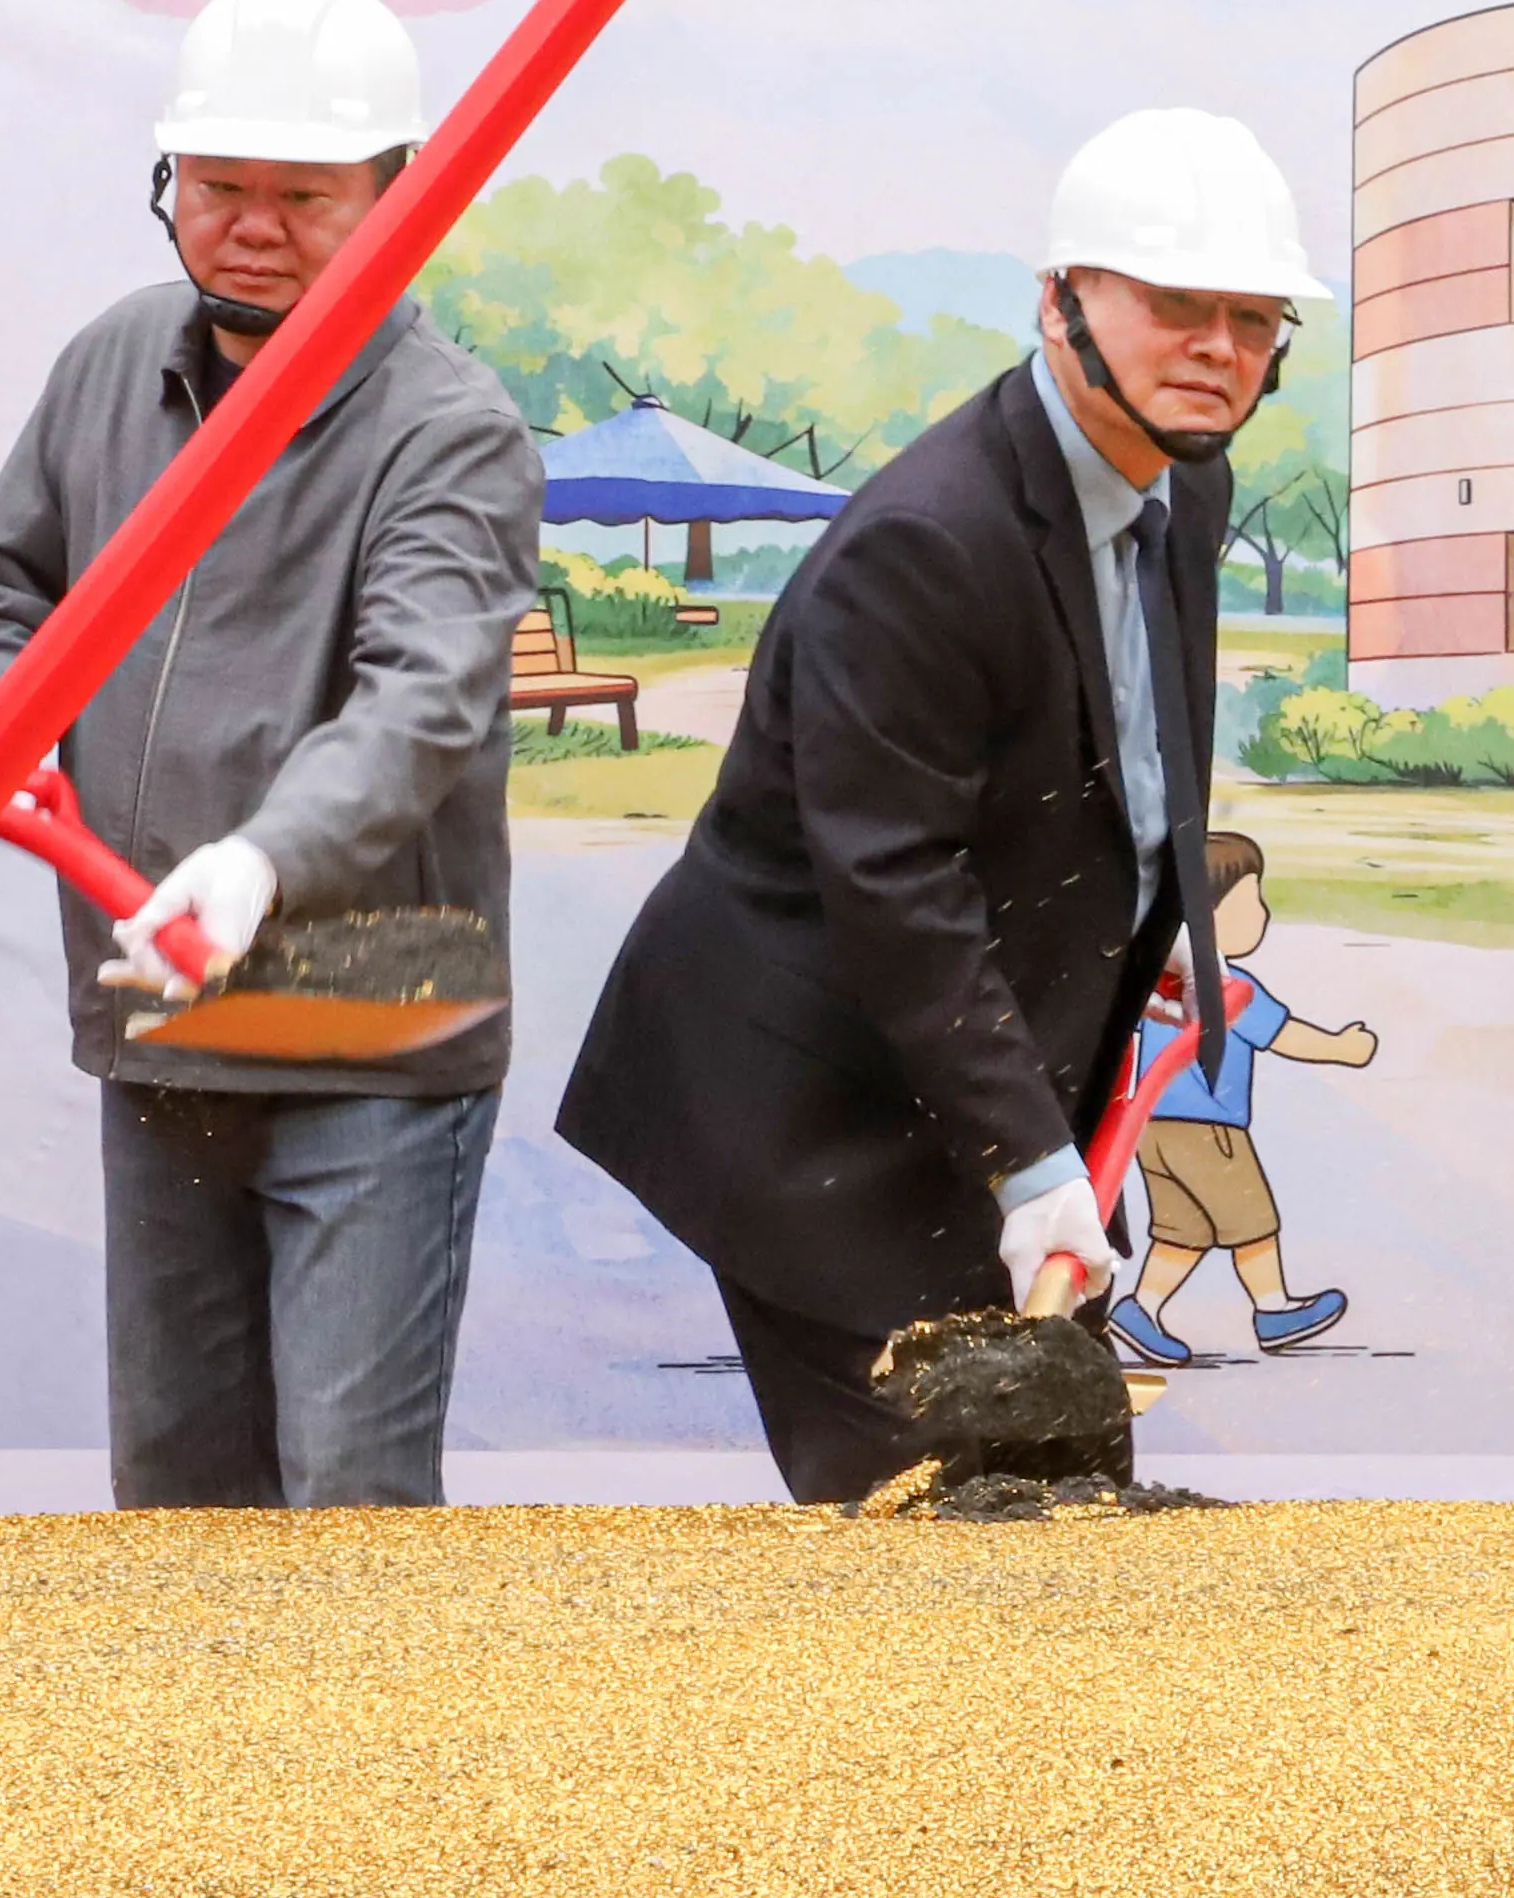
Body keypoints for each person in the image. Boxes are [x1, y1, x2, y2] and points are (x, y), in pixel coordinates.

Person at [556, 110, 1311, 1503]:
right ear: (1061, 300)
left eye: (1254, 317)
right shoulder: (926, 542)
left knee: (1067, 1497)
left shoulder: (1184, 486)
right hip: (816, 1115)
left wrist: (1131, 952)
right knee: (931, 1526)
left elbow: (1119, 765)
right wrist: (1030, 1169)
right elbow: (894, 885)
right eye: (1176, 304)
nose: (1219, 345)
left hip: (978, 1081)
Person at [0, 0, 537, 1510]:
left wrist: (263, 864)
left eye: (305, 197)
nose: (252, 228)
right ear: (167, 180)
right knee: (178, 1493)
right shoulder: (112, 365)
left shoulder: (449, 429)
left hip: (373, 1032)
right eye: (217, 187)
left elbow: (422, 699)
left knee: (348, 1501)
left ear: (399, 197)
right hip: (165, 1011)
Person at [1108, 830, 1382, 1370]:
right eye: (1251, 901)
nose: (1262, 915)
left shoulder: (1158, 981)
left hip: (1151, 1126)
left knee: (1185, 1230)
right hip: (1206, 1128)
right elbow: (1283, 1035)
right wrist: (1342, 1048)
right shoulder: (1227, 985)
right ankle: (1274, 1310)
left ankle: (1142, 1310)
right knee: (1252, 1219)